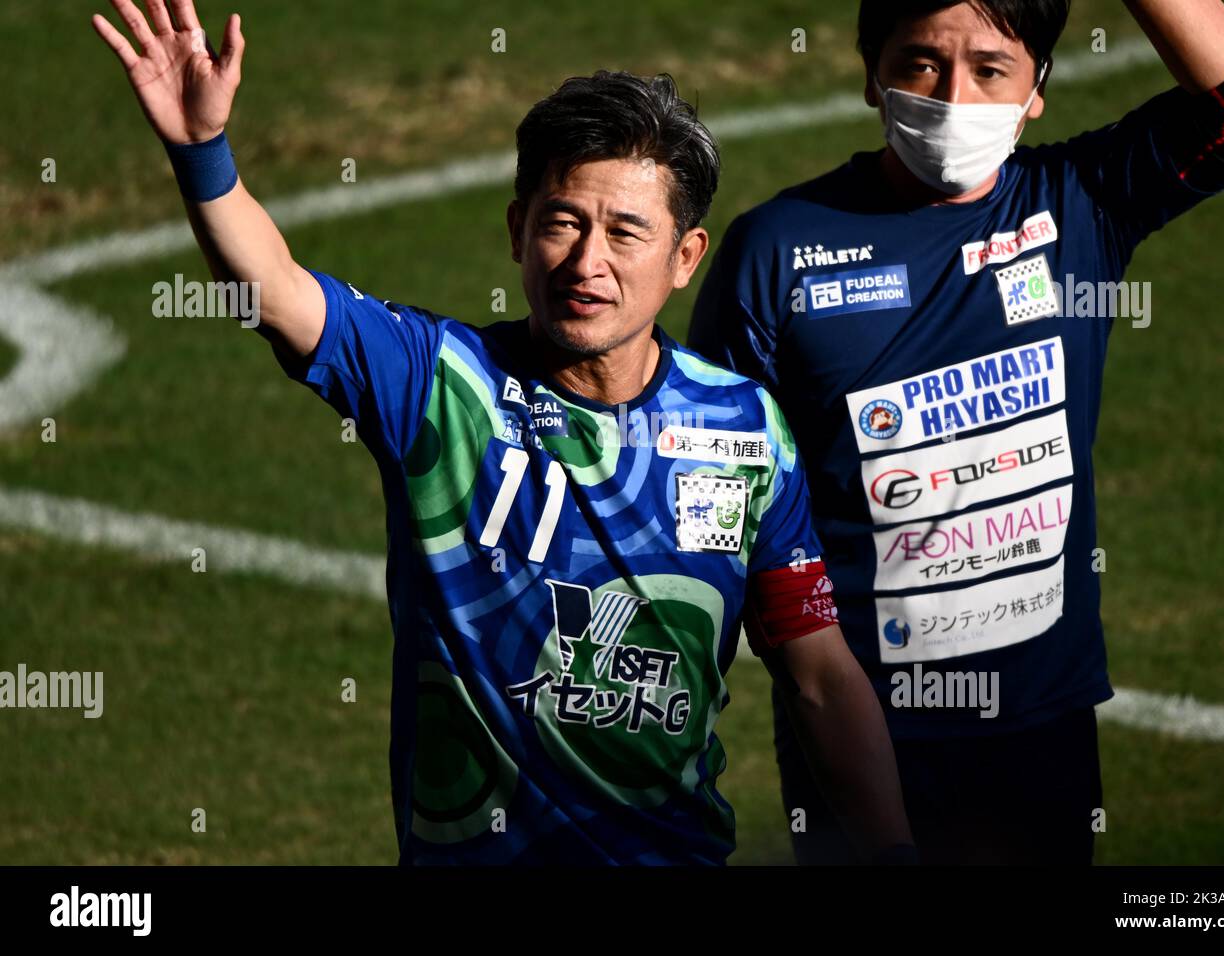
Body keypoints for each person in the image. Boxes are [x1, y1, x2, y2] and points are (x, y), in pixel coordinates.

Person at [93, 0, 916, 864]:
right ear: (518, 230)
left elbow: (818, 672)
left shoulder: (747, 430)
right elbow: (272, 289)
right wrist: (202, 154)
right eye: (562, 222)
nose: (586, 261)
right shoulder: (438, 383)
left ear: (685, 257)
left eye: (626, 232)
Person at [688, 0, 1224, 864]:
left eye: (991, 69)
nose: (953, 98)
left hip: (1042, 730)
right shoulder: (774, 252)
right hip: (859, 737)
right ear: (869, 74)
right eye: (922, 63)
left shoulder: (1081, 203)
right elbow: (722, 500)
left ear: (1037, 89)